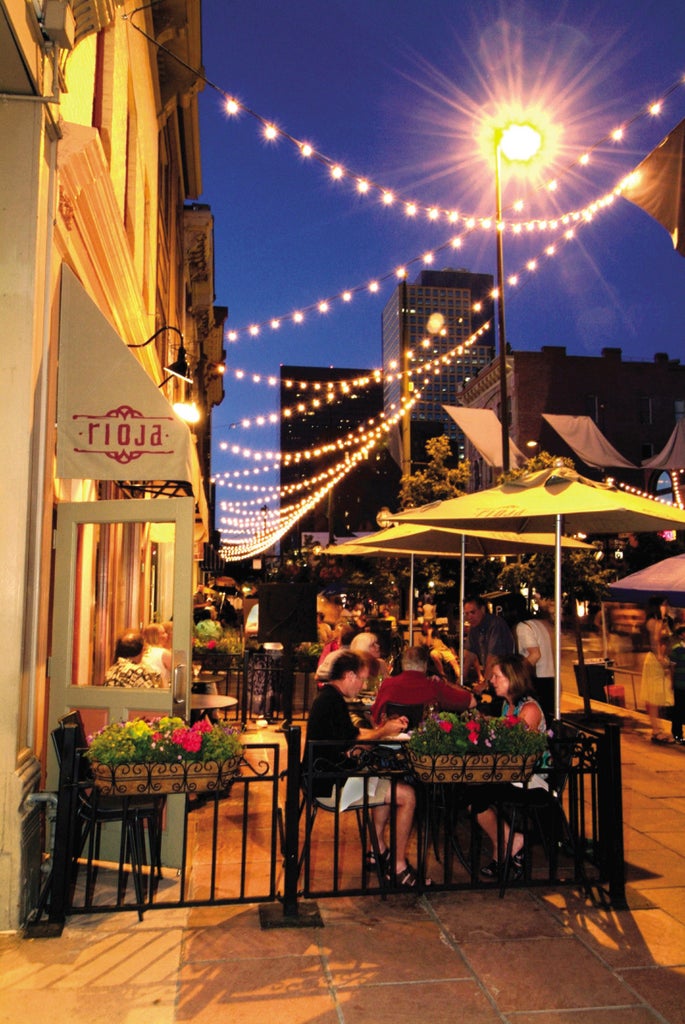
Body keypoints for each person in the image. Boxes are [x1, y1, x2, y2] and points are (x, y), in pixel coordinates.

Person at [304, 650, 426, 888]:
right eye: (361, 678)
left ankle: (376, 849)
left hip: (325, 775)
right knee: (407, 796)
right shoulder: (331, 701)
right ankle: (398, 867)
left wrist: (379, 733)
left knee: (382, 778)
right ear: (348, 676)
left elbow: (350, 739)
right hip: (330, 784)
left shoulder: (328, 697)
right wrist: (385, 731)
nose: (362, 685)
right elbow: (354, 741)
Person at [469, 654, 547, 879]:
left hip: (533, 778)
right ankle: (508, 843)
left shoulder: (529, 708)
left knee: (475, 794)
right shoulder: (507, 705)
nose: (492, 680)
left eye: (496, 676)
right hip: (512, 772)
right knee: (471, 792)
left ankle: (506, 847)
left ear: (512, 679)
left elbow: (517, 749)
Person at [371, 646, 475, 726]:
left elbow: (375, 717)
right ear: (425, 665)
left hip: (391, 743)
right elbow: (472, 702)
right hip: (425, 746)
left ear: (403, 664)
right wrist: (446, 683)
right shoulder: (434, 685)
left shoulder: (387, 684)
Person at [462, 595, 515, 693]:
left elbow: (494, 657)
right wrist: (461, 678)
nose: (469, 617)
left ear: (482, 609)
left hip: (505, 676)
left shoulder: (495, 624)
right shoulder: (474, 628)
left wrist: (485, 683)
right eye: (466, 614)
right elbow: (469, 655)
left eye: (472, 612)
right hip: (493, 677)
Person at [642, 594, 675, 744]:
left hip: (660, 659)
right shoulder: (654, 622)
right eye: (664, 604)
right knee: (654, 696)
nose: (666, 607)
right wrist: (661, 658)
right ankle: (656, 729)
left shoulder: (662, 621)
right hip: (656, 660)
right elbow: (656, 640)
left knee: (659, 696)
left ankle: (658, 728)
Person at [513, 607, 555, 722]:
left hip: (537, 679)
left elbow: (535, 655)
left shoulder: (523, 627)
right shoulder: (539, 624)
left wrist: (518, 672)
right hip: (550, 677)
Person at [141, 622, 171, 686]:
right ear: (155, 636)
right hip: (162, 691)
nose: (166, 635)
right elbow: (180, 675)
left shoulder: (141, 652)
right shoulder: (164, 654)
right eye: (163, 633)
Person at [669, 625, 685, 745]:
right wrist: (672, 682)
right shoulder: (677, 649)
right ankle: (677, 734)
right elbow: (672, 668)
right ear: (681, 636)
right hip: (680, 684)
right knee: (679, 709)